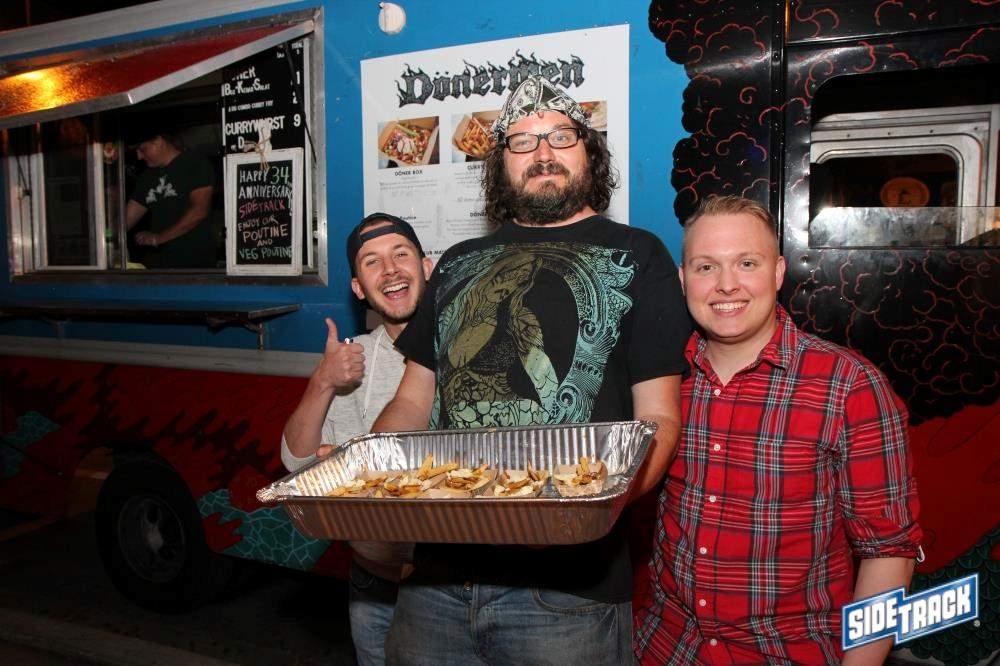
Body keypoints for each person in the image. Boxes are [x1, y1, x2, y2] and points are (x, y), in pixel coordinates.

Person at [372, 75, 691, 663]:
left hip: (567, 594)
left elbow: (659, 420)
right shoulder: (458, 263)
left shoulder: (639, 254)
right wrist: (373, 471)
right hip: (436, 580)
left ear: (589, 151)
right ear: (501, 164)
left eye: (560, 136)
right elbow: (414, 400)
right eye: (521, 141)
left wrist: (588, 512)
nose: (543, 152)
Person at [633, 195, 923, 665]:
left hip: (788, 653)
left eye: (747, 263)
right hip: (666, 651)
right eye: (706, 267)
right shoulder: (659, 385)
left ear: (778, 272)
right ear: (684, 280)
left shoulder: (849, 386)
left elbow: (888, 552)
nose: (727, 284)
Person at [280, 213, 433, 665]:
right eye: (372, 262)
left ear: (426, 267)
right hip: (372, 588)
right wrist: (323, 381)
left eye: (400, 254)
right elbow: (295, 459)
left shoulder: (469, 348)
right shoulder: (354, 359)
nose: (390, 270)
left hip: (447, 591)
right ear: (358, 288)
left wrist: (352, 461)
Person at [125, 125, 217, 268]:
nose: (139, 156)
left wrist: (158, 238)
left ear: (159, 141)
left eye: (142, 149)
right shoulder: (146, 177)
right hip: (160, 265)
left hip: (194, 263)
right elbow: (126, 220)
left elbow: (200, 210)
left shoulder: (195, 163)